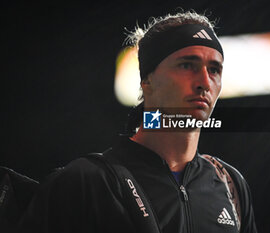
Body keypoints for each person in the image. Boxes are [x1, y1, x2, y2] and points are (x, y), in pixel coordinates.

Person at [18, 10, 257, 233]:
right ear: (147, 81)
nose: (204, 81)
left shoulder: (230, 185)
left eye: (214, 69)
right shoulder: (87, 181)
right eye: (187, 65)